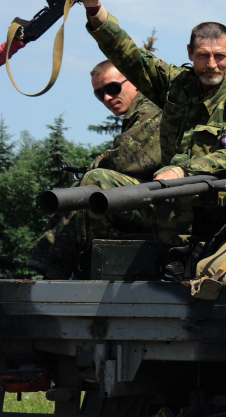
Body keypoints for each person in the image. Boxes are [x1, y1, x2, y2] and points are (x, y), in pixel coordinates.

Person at [75, 0, 226, 252]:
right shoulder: (177, 83)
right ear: (190, 52)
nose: (212, 64)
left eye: (219, 56)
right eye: (203, 55)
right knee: (96, 182)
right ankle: (101, 261)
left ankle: (174, 263)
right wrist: (93, 5)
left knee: (175, 188)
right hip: (166, 193)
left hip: (218, 203)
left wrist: (181, 170)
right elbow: (129, 56)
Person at [26, 60, 163, 279]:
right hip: (152, 199)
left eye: (112, 88)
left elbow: (127, 160)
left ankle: (80, 262)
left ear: (135, 82)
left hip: (169, 205)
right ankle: (51, 269)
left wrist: (94, 167)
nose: (107, 98)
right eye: (100, 94)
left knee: (95, 181)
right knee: (79, 191)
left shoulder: (151, 110)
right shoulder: (137, 113)